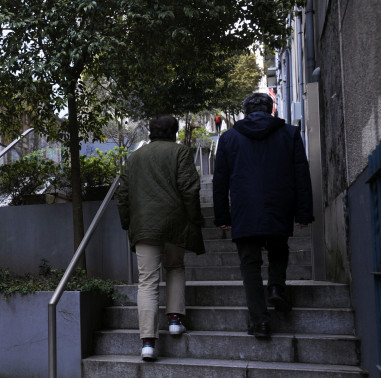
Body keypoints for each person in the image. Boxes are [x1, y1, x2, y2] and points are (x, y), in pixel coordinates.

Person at [213, 93, 313, 339]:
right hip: (279, 204)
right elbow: (301, 174)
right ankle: (277, 286)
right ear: (271, 110)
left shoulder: (228, 138)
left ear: (245, 112)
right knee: (279, 249)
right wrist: (303, 212)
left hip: (244, 209)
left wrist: (222, 216)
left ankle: (260, 322)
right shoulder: (289, 134)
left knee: (250, 265)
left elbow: (220, 181)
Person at [115, 115, 205, 362]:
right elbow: (190, 188)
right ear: (174, 131)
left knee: (147, 281)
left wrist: (128, 222)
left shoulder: (134, 158)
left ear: (151, 132)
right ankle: (175, 319)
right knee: (175, 266)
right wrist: (195, 218)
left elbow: (122, 195)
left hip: (144, 226)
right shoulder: (181, 152)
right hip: (175, 223)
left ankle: (148, 343)